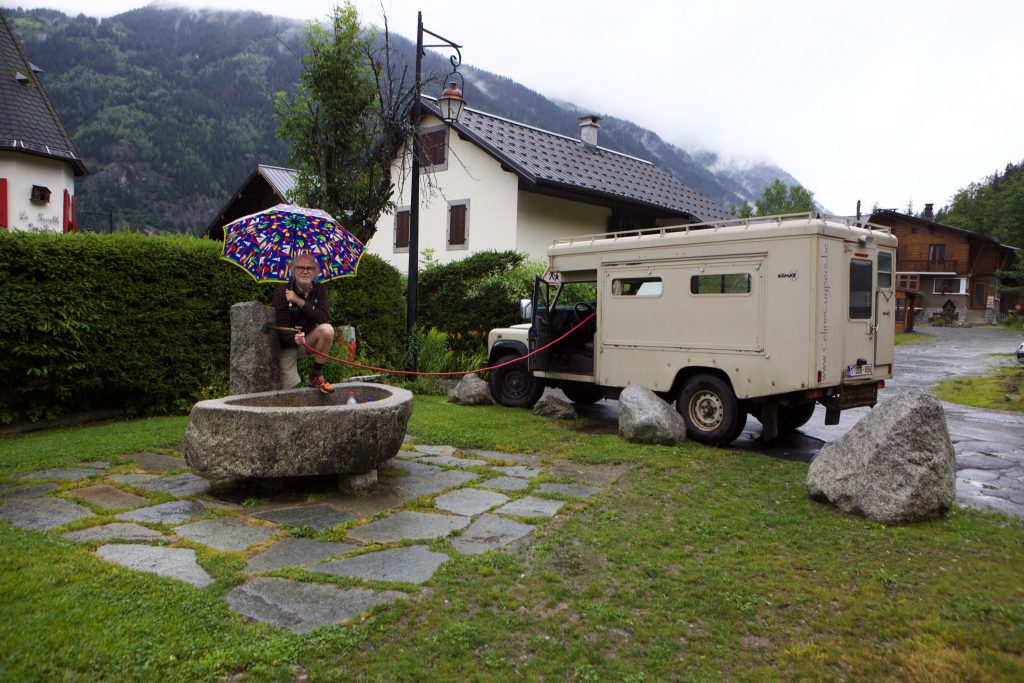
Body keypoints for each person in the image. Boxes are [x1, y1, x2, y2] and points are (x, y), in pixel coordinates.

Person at [272, 253, 336, 393]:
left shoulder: (319, 289)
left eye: (310, 268)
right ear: (293, 271)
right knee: (287, 389)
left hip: (307, 341)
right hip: (288, 344)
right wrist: (293, 338)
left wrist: (298, 301)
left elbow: (323, 317)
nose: (305, 271)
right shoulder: (283, 292)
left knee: (327, 330)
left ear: (315, 272)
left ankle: (316, 375)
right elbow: (281, 327)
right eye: (300, 267)